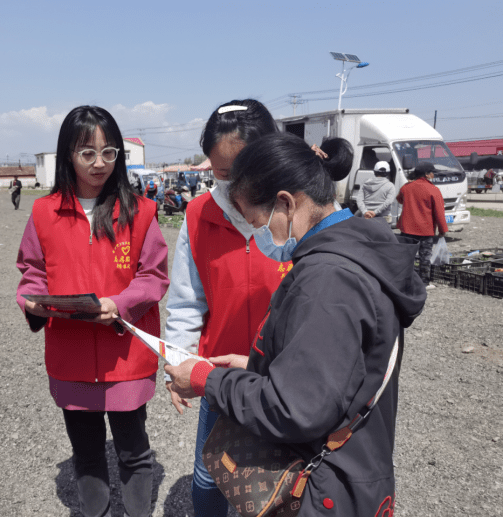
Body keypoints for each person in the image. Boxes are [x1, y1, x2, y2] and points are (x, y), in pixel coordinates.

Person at [165, 132, 427, 516]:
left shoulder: (326, 279)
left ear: (286, 203)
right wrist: (257, 368)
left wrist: (207, 380)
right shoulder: (356, 252)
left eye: (257, 222)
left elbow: (296, 410)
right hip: (356, 471)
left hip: (324, 491)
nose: (259, 236)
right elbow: (331, 377)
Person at [16, 105, 169, 517]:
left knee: (135, 451)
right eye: (87, 153)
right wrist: (31, 301)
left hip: (126, 355)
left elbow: (153, 276)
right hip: (71, 354)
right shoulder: (43, 213)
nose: (99, 163)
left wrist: (118, 304)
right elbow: (31, 272)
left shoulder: (140, 211)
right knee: (85, 453)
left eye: (109, 152)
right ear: (68, 154)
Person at [164, 99, 290, 517]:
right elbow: (186, 301)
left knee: (282, 480)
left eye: (246, 173)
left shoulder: (294, 213)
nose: (235, 189)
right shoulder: (200, 213)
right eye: (222, 174)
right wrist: (179, 365)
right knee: (210, 476)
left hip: (284, 380)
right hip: (218, 378)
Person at [397, 161, 448, 290]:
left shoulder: (406, 187)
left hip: (407, 228)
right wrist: (442, 230)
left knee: (407, 256)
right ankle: (424, 282)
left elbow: (399, 199)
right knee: (425, 257)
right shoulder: (433, 190)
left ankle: (405, 281)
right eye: (432, 173)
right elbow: (439, 212)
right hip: (426, 230)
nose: (433, 175)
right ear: (427, 174)